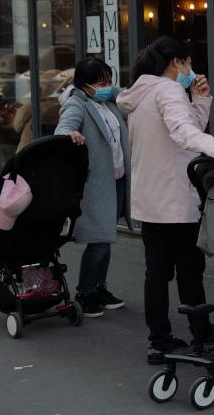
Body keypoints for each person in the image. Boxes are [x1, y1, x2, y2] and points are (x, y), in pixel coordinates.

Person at [116, 35, 214, 364]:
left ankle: (159, 340)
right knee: (189, 270)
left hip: (150, 199)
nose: (191, 70)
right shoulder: (168, 90)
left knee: (156, 274)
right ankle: (200, 333)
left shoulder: (141, 94)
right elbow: (186, 134)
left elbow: (182, 132)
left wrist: (200, 100)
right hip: (174, 198)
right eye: (187, 62)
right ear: (177, 62)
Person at [55, 57, 130, 319]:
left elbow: (127, 95)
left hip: (117, 180)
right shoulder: (78, 104)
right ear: (84, 84)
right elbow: (64, 127)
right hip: (96, 184)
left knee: (106, 237)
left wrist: (114, 89)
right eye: (101, 82)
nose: (107, 86)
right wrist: (69, 134)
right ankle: (85, 293)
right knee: (99, 240)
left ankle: (99, 288)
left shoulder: (108, 101)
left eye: (109, 81)